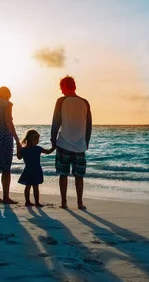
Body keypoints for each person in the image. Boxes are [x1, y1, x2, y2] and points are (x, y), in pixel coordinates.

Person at [50, 76, 92, 210]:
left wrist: (53, 140)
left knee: (63, 174)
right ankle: (80, 203)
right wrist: (87, 141)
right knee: (79, 176)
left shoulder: (61, 101)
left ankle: (64, 202)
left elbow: (56, 122)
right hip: (80, 145)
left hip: (63, 143)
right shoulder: (84, 102)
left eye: (61, 87)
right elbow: (89, 124)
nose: (61, 90)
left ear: (65, 86)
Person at [16, 129, 55, 207]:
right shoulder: (33, 149)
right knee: (31, 187)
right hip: (33, 170)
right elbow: (19, 157)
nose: (38, 141)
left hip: (33, 170)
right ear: (31, 139)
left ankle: (34, 202)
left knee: (33, 187)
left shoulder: (35, 148)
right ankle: (30, 202)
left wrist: (54, 146)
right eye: (36, 139)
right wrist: (18, 148)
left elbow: (48, 152)